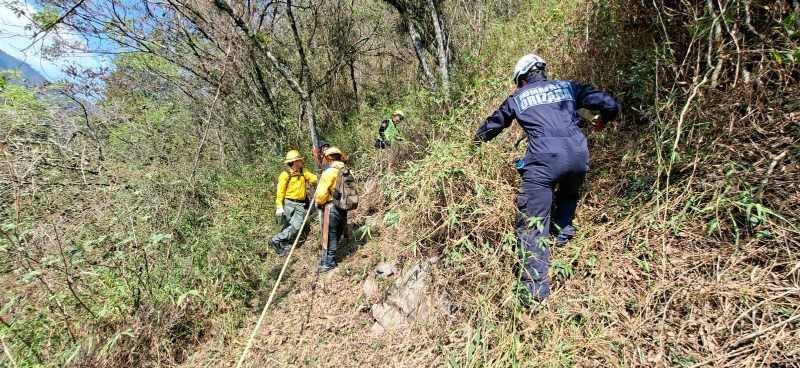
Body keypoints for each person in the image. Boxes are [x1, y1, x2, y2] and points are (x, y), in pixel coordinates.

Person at [473, 53, 619, 303]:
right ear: (542, 71)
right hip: (578, 156)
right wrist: (603, 119)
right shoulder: (568, 87)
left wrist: (474, 144)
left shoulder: (518, 97)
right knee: (569, 192)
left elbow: (493, 125)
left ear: (522, 79)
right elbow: (608, 104)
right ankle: (563, 238)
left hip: (544, 161)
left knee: (532, 223)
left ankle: (534, 293)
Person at [270, 150, 318, 256]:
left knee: (296, 225)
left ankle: (276, 240)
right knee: (289, 225)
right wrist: (279, 206)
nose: (302, 162)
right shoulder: (285, 174)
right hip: (288, 203)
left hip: (300, 204)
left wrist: (323, 177)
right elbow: (280, 191)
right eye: (300, 160)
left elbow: (313, 178)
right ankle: (282, 243)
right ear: (295, 162)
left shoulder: (303, 171)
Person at [313, 147, 349, 272]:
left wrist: (318, 203)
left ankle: (329, 262)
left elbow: (321, 193)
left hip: (331, 206)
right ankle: (330, 259)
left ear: (328, 158)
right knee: (337, 231)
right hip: (343, 207)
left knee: (329, 235)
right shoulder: (346, 170)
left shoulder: (329, 172)